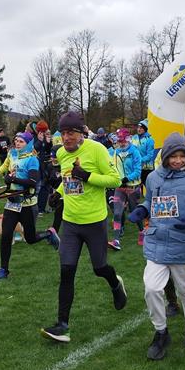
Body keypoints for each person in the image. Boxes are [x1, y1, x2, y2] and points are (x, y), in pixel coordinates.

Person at [41, 111, 127, 342]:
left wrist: (87, 176)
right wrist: (57, 194)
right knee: (66, 271)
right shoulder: (60, 152)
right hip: (70, 223)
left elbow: (115, 180)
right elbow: (68, 181)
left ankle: (115, 283)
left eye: (71, 133)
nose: (66, 138)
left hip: (94, 222)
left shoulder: (96, 149)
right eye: (63, 133)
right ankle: (62, 325)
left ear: (81, 134)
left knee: (99, 268)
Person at [127, 133, 185, 359]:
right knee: (151, 287)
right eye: (173, 156)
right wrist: (143, 210)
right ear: (165, 156)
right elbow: (150, 201)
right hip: (157, 241)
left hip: (183, 242)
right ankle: (161, 332)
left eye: (182, 156)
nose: (178, 161)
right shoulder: (153, 178)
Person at [0, 132, 59, 280]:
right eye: (16, 141)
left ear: (27, 143)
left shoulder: (32, 160)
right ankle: (3, 269)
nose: (17, 143)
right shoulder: (13, 156)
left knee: (31, 238)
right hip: (12, 203)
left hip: (27, 204)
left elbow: (33, 182)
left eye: (21, 141)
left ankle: (49, 234)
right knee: (6, 235)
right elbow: (9, 174)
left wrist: (12, 178)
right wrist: (7, 178)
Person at [108, 128, 144, 250]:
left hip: (132, 187)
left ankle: (142, 232)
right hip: (119, 188)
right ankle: (116, 240)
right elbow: (112, 167)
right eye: (119, 141)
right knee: (117, 213)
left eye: (123, 141)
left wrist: (126, 179)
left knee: (135, 212)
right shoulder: (116, 152)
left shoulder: (135, 152)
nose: (121, 143)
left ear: (128, 140)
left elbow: (138, 171)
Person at [132, 119, 157, 186]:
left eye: (141, 128)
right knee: (136, 187)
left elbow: (150, 155)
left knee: (149, 187)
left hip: (146, 168)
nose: (139, 129)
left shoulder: (149, 140)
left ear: (145, 129)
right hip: (136, 167)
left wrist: (139, 160)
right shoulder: (134, 138)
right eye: (138, 127)